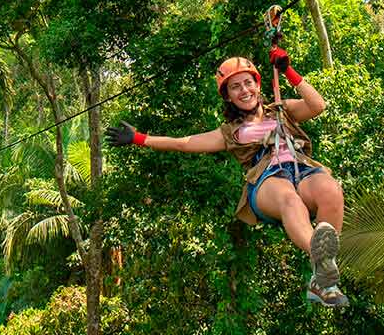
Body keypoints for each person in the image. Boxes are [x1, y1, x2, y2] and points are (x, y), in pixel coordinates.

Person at [106, 40, 348, 306]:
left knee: (330, 190)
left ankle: (323, 280)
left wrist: (288, 70)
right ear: (228, 95)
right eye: (235, 87)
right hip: (267, 179)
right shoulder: (229, 133)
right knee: (288, 198)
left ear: (257, 85)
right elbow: (183, 143)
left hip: (301, 169)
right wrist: (140, 138)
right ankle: (320, 257)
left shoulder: (281, 109)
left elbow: (317, 105)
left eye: (248, 83)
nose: (244, 90)